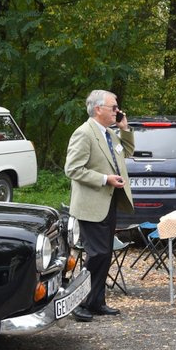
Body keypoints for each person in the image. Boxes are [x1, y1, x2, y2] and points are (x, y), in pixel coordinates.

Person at [64, 89, 135, 322]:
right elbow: (73, 169)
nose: (118, 111)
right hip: (91, 205)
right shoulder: (84, 133)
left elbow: (127, 152)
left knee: (104, 254)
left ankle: (96, 302)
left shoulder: (109, 133)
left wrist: (125, 129)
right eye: (113, 107)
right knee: (97, 254)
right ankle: (76, 303)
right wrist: (105, 179)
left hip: (108, 202)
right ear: (98, 109)